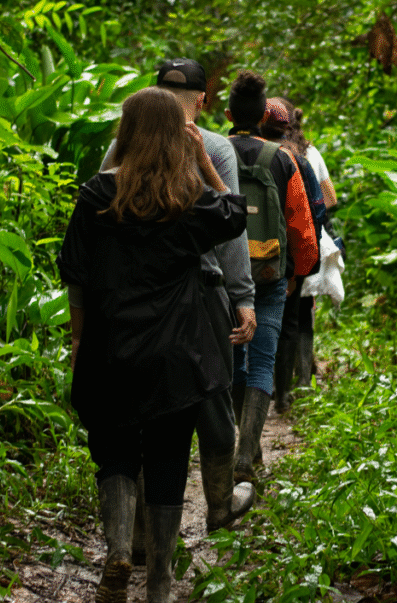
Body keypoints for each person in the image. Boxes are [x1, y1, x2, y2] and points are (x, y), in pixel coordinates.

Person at [57, 87, 247, 603]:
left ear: (128, 131)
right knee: (166, 458)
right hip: (176, 355)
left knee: (114, 451)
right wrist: (206, 160)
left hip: (110, 346)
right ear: (176, 135)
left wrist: (78, 339)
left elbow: (76, 276)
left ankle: (119, 549)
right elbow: (236, 214)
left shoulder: (97, 194)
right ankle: (160, 584)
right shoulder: (189, 198)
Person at [100, 58, 257, 550]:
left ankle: (141, 536)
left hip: (128, 298)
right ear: (203, 101)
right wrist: (244, 296)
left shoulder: (121, 145)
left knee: (140, 410)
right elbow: (232, 227)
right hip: (202, 293)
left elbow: (97, 207)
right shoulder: (211, 146)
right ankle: (217, 503)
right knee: (212, 398)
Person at [225, 71, 318, 484]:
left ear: (227, 113)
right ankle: (246, 455)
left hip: (224, 279)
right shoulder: (283, 159)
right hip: (269, 274)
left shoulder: (210, 151)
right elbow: (302, 225)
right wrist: (299, 271)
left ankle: (246, 445)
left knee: (233, 362)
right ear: (265, 114)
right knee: (262, 357)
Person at [261, 98, 326, 414]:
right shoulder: (295, 160)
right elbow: (314, 213)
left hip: (239, 260)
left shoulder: (231, 152)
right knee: (287, 324)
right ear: (288, 125)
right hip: (283, 262)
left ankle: (250, 397)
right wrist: (301, 269)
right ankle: (283, 394)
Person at [274, 98, 341, 397]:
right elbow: (330, 198)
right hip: (306, 240)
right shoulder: (310, 153)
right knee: (303, 314)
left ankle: (278, 384)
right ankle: (302, 380)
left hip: (273, 242)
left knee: (277, 313)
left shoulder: (269, 151)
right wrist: (312, 214)